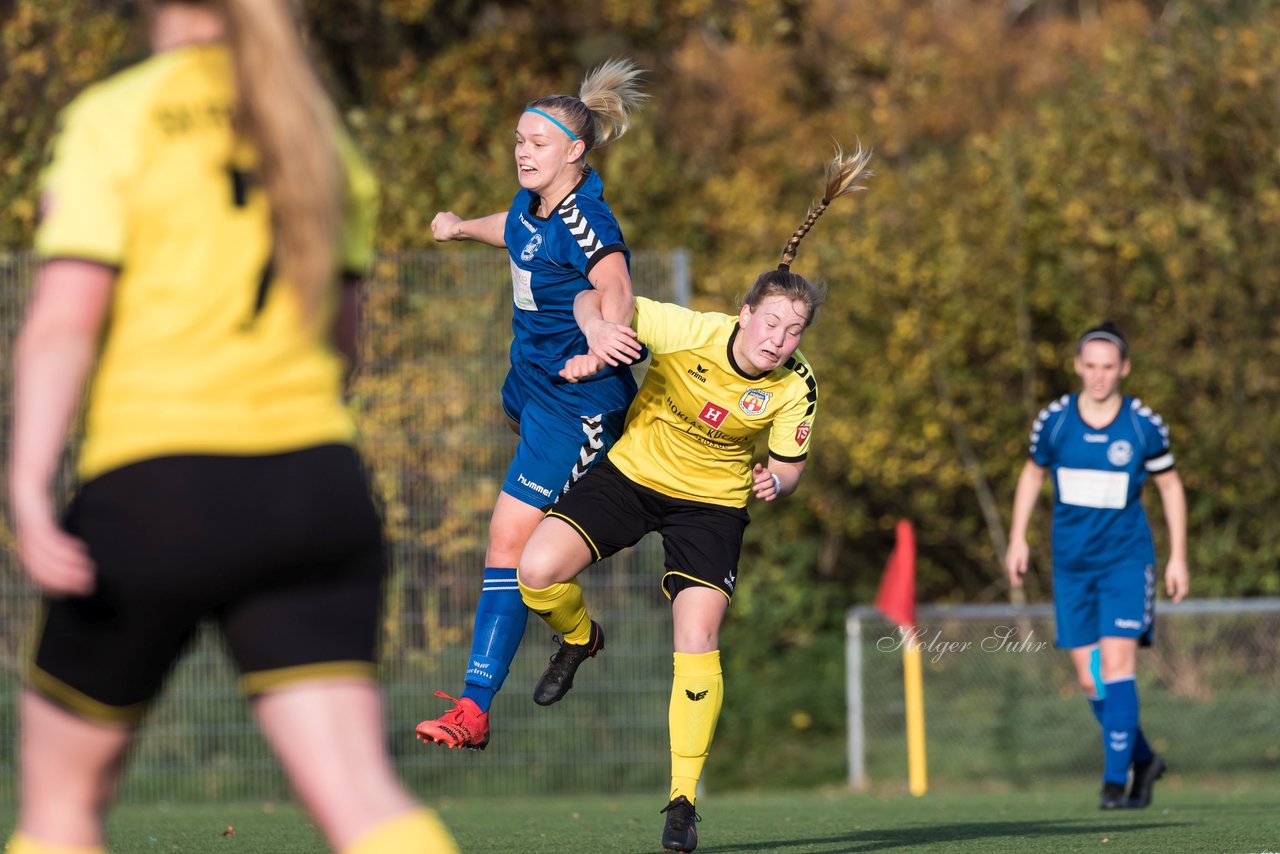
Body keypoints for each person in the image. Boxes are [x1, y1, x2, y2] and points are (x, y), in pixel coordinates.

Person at [5, 3, 456, 852]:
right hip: (312, 486)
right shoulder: (315, 125)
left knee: (60, 811)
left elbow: (66, 319)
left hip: (156, 488)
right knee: (365, 800)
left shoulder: (118, 115)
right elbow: (344, 341)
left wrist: (28, 490)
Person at [513, 145, 871, 853]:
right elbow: (595, 295)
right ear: (744, 314)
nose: (779, 339)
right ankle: (581, 639)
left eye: (794, 331)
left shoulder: (797, 387)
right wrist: (596, 330)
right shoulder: (688, 332)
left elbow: (793, 465)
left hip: (711, 505)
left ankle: (682, 802)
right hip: (632, 475)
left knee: (697, 638)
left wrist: (778, 479)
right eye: (770, 323)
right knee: (535, 572)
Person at [415, 59, 648, 750]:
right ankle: (555, 647)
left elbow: (616, 282)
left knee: (510, 546)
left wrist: (608, 332)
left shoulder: (586, 217)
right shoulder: (533, 205)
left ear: (574, 151)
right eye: (518, 138)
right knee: (512, 548)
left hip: (578, 404)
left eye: (537, 142)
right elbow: (513, 231)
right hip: (530, 384)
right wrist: (460, 228)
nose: (522, 150)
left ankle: (475, 706)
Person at [1005, 321, 1189, 811]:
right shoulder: (1056, 420)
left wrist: (1179, 557)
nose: (1100, 376)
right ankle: (1145, 758)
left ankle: (1114, 783)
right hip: (1071, 567)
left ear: (1123, 368)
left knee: (1116, 665)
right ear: (1078, 367)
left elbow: (1170, 486)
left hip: (1126, 563)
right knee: (1090, 678)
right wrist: (1017, 538)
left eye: (1109, 367)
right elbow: (1031, 473)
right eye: (1091, 366)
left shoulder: (1142, 424)